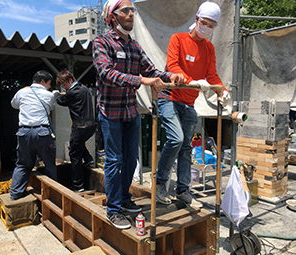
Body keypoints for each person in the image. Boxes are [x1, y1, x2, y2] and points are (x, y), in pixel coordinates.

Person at [93, 0, 186, 229]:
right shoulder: (101, 43)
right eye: (126, 11)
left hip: (130, 112)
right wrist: (141, 81)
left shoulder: (134, 47)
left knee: (130, 159)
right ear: (113, 16)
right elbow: (106, 74)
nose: (131, 15)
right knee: (114, 160)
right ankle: (113, 209)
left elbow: (152, 71)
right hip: (111, 112)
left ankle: (124, 199)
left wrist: (170, 75)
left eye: (132, 11)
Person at [156, 2, 231, 207]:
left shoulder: (209, 48)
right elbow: (173, 67)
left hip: (189, 102)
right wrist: (193, 81)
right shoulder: (178, 39)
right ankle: (160, 183)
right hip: (169, 96)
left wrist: (222, 91)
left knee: (187, 147)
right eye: (204, 22)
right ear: (196, 19)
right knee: (176, 139)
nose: (206, 27)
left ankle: (183, 190)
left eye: (211, 25)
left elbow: (212, 75)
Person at [10, 70, 57, 200]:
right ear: (42, 82)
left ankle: (15, 194)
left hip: (23, 132)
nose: (49, 86)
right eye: (48, 83)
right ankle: (53, 194)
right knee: (49, 164)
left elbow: (14, 105)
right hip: (42, 132)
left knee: (23, 164)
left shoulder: (21, 92)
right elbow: (52, 107)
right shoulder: (48, 95)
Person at [52, 69, 96, 192]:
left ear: (70, 80)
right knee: (79, 144)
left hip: (80, 127)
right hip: (91, 126)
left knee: (74, 154)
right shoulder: (85, 89)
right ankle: (88, 159)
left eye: (64, 85)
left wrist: (55, 94)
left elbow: (61, 101)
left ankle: (78, 185)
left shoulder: (72, 92)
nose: (64, 88)